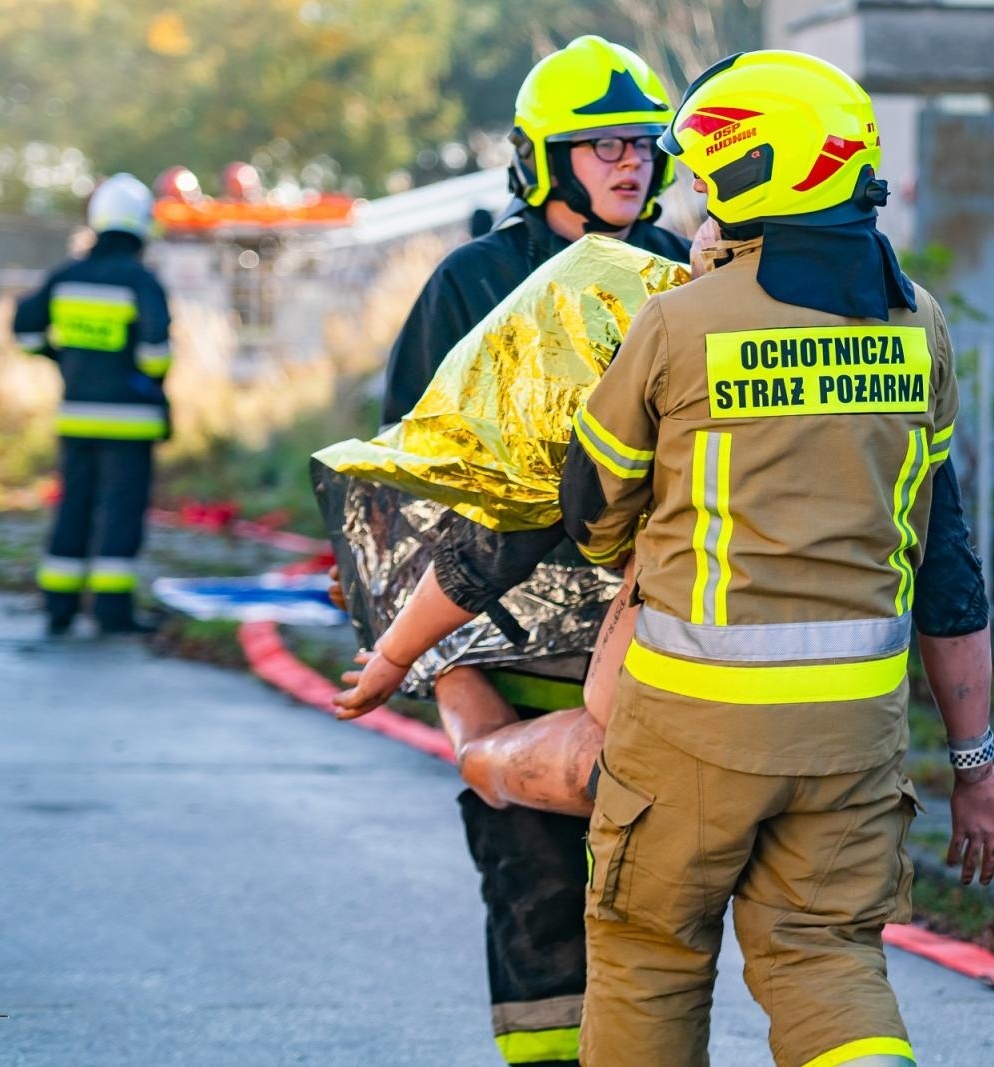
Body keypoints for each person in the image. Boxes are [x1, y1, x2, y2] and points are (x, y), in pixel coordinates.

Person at [557, 51, 994, 1067]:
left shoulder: (680, 324)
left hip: (691, 724)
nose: (690, 187)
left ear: (750, 177)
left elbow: (589, 512)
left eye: (707, 169)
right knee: (826, 962)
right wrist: (974, 763)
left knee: (648, 955)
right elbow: (946, 566)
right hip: (853, 732)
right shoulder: (918, 326)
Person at [333, 35, 690, 1067]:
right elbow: (412, 465)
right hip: (506, 657)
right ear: (541, 162)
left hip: (646, 657)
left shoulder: (682, 276)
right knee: (536, 914)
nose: (630, 161)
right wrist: (427, 654)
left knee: (649, 923)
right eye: (599, 145)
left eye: (642, 143)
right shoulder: (474, 281)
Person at [13, 173, 172, 636]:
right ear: (142, 225)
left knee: (73, 508)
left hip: (77, 418)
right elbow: (155, 355)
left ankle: (59, 607)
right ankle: (111, 611)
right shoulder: (141, 281)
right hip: (131, 424)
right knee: (120, 513)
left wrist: (62, 358)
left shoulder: (66, 276)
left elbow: (25, 332)